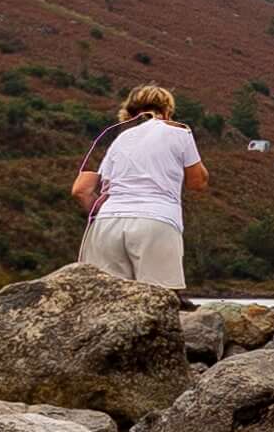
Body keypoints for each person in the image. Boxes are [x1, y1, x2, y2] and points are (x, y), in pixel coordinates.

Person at [73, 84, 207, 286]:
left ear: (128, 111)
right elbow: (198, 182)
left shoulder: (110, 137)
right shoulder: (178, 131)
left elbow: (81, 190)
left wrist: (108, 211)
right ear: (167, 110)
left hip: (108, 223)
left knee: (110, 299)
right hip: (156, 220)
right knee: (160, 297)